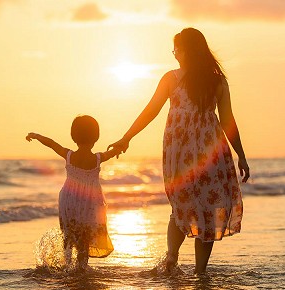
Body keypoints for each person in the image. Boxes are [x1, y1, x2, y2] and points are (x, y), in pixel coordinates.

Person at [108, 28, 250, 274]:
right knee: (208, 207)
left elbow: (151, 110)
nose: (174, 54)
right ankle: (199, 271)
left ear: (186, 51)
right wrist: (241, 155)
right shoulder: (216, 80)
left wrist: (126, 137)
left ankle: (172, 258)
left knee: (181, 205)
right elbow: (227, 120)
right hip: (210, 151)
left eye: (176, 49)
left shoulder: (172, 78)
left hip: (180, 151)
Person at [26, 115, 119, 272]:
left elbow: (51, 144)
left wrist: (36, 136)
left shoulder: (69, 155)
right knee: (85, 237)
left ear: (73, 136)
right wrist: (120, 147)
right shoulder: (97, 158)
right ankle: (81, 267)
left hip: (69, 200)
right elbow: (113, 152)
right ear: (96, 137)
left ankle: (67, 265)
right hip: (89, 203)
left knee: (68, 234)